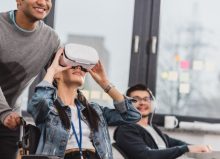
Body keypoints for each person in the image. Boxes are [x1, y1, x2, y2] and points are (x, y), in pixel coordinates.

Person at [27, 48, 141, 159]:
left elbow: (132, 115)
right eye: (72, 65)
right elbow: (40, 100)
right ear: (57, 73)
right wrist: (51, 70)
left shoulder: (95, 110)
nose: (79, 68)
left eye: (83, 67)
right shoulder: (49, 108)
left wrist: (105, 83)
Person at [0, 0, 61, 158]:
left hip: (10, 118)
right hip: (5, 112)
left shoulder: (51, 39)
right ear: (19, 1)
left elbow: (58, 79)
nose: (43, 2)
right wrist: (4, 112)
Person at [114, 84, 212, 159]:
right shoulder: (125, 129)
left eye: (146, 99)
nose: (142, 102)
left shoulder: (152, 128)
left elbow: (173, 143)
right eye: (136, 99)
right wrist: (187, 149)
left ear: (152, 103)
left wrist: (196, 147)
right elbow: (146, 156)